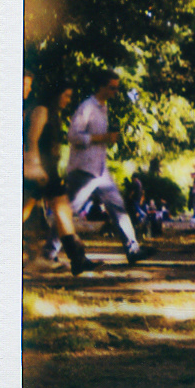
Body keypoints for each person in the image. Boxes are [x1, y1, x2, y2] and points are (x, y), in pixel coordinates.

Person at [64, 69, 155, 265]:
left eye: (117, 88)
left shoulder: (103, 108)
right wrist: (102, 138)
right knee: (68, 211)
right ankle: (48, 252)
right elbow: (73, 136)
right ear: (102, 87)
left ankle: (133, 249)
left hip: (99, 169)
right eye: (112, 87)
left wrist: (109, 139)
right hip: (83, 170)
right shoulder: (87, 107)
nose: (116, 91)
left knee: (117, 207)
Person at [23, 80, 100, 275]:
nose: (68, 99)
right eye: (65, 95)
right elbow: (31, 139)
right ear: (56, 94)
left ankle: (77, 258)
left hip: (48, 170)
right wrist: (34, 165)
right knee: (30, 211)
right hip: (39, 169)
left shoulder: (53, 113)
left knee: (61, 210)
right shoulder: (41, 110)